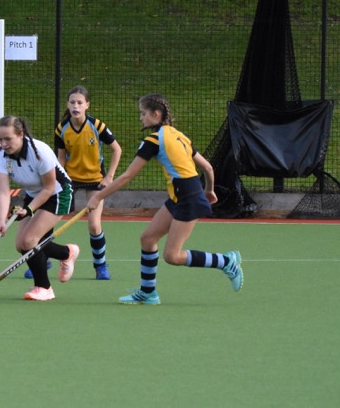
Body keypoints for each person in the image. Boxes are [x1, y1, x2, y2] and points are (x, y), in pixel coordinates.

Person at [86, 93, 243, 305]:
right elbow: (207, 167)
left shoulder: (153, 140)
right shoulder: (179, 135)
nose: (141, 118)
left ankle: (226, 261)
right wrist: (209, 190)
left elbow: (127, 176)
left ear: (156, 114)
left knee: (172, 256)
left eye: (143, 113)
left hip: (187, 197)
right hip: (183, 194)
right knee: (148, 238)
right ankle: (148, 293)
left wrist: (98, 196)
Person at [0, 115, 80, 301]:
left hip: (58, 193)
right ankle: (67, 253)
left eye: (8, 139)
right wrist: (1, 220)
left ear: (21, 134)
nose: (3, 144)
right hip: (34, 194)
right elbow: (3, 192)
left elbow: (49, 188)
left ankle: (44, 288)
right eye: (0, 139)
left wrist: (29, 210)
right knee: (21, 245)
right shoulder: (2, 156)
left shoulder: (39, 152)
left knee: (29, 241)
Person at [53, 85, 122, 280]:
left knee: (94, 225)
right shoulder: (62, 129)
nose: (76, 106)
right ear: (68, 104)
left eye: (80, 102)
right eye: (72, 102)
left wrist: (109, 177)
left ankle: (100, 267)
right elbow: (61, 158)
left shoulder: (97, 126)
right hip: (70, 179)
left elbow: (117, 149)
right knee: (49, 220)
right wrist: (57, 180)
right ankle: (42, 259)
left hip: (95, 181)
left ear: (87, 105)